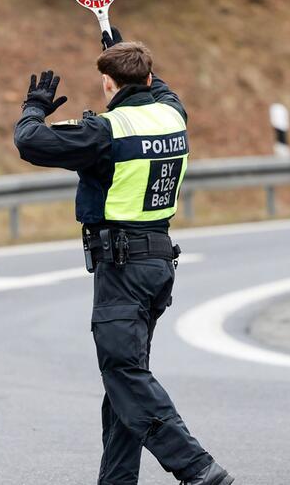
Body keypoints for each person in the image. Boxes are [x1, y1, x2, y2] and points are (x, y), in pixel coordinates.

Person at [13, 28, 234, 485]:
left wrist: (34, 107)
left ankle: (196, 467)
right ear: (149, 76)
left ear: (109, 85)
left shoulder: (105, 132)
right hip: (158, 266)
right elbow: (158, 83)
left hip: (121, 268)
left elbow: (30, 142)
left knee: (124, 374)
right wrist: (118, 46)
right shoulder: (173, 115)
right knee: (124, 381)